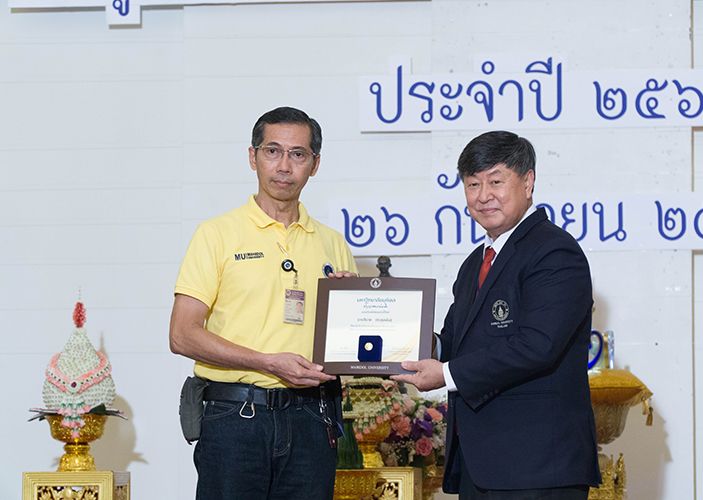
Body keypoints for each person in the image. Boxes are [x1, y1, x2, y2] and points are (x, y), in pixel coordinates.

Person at [393, 131, 601, 499]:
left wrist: (446, 374)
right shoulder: (475, 263)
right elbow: (454, 343)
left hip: (537, 467)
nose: (483, 195)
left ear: (528, 182)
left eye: (495, 181)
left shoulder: (554, 251)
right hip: (483, 465)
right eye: (473, 184)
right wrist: (403, 337)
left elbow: (537, 345)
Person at [169, 107, 358, 500]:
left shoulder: (333, 244)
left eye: (298, 154)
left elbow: (350, 346)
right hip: (236, 417)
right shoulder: (216, 234)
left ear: (315, 164)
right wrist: (266, 362)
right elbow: (182, 335)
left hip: (313, 417)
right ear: (253, 157)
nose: (284, 165)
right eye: (273, 151)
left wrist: (352, 313)